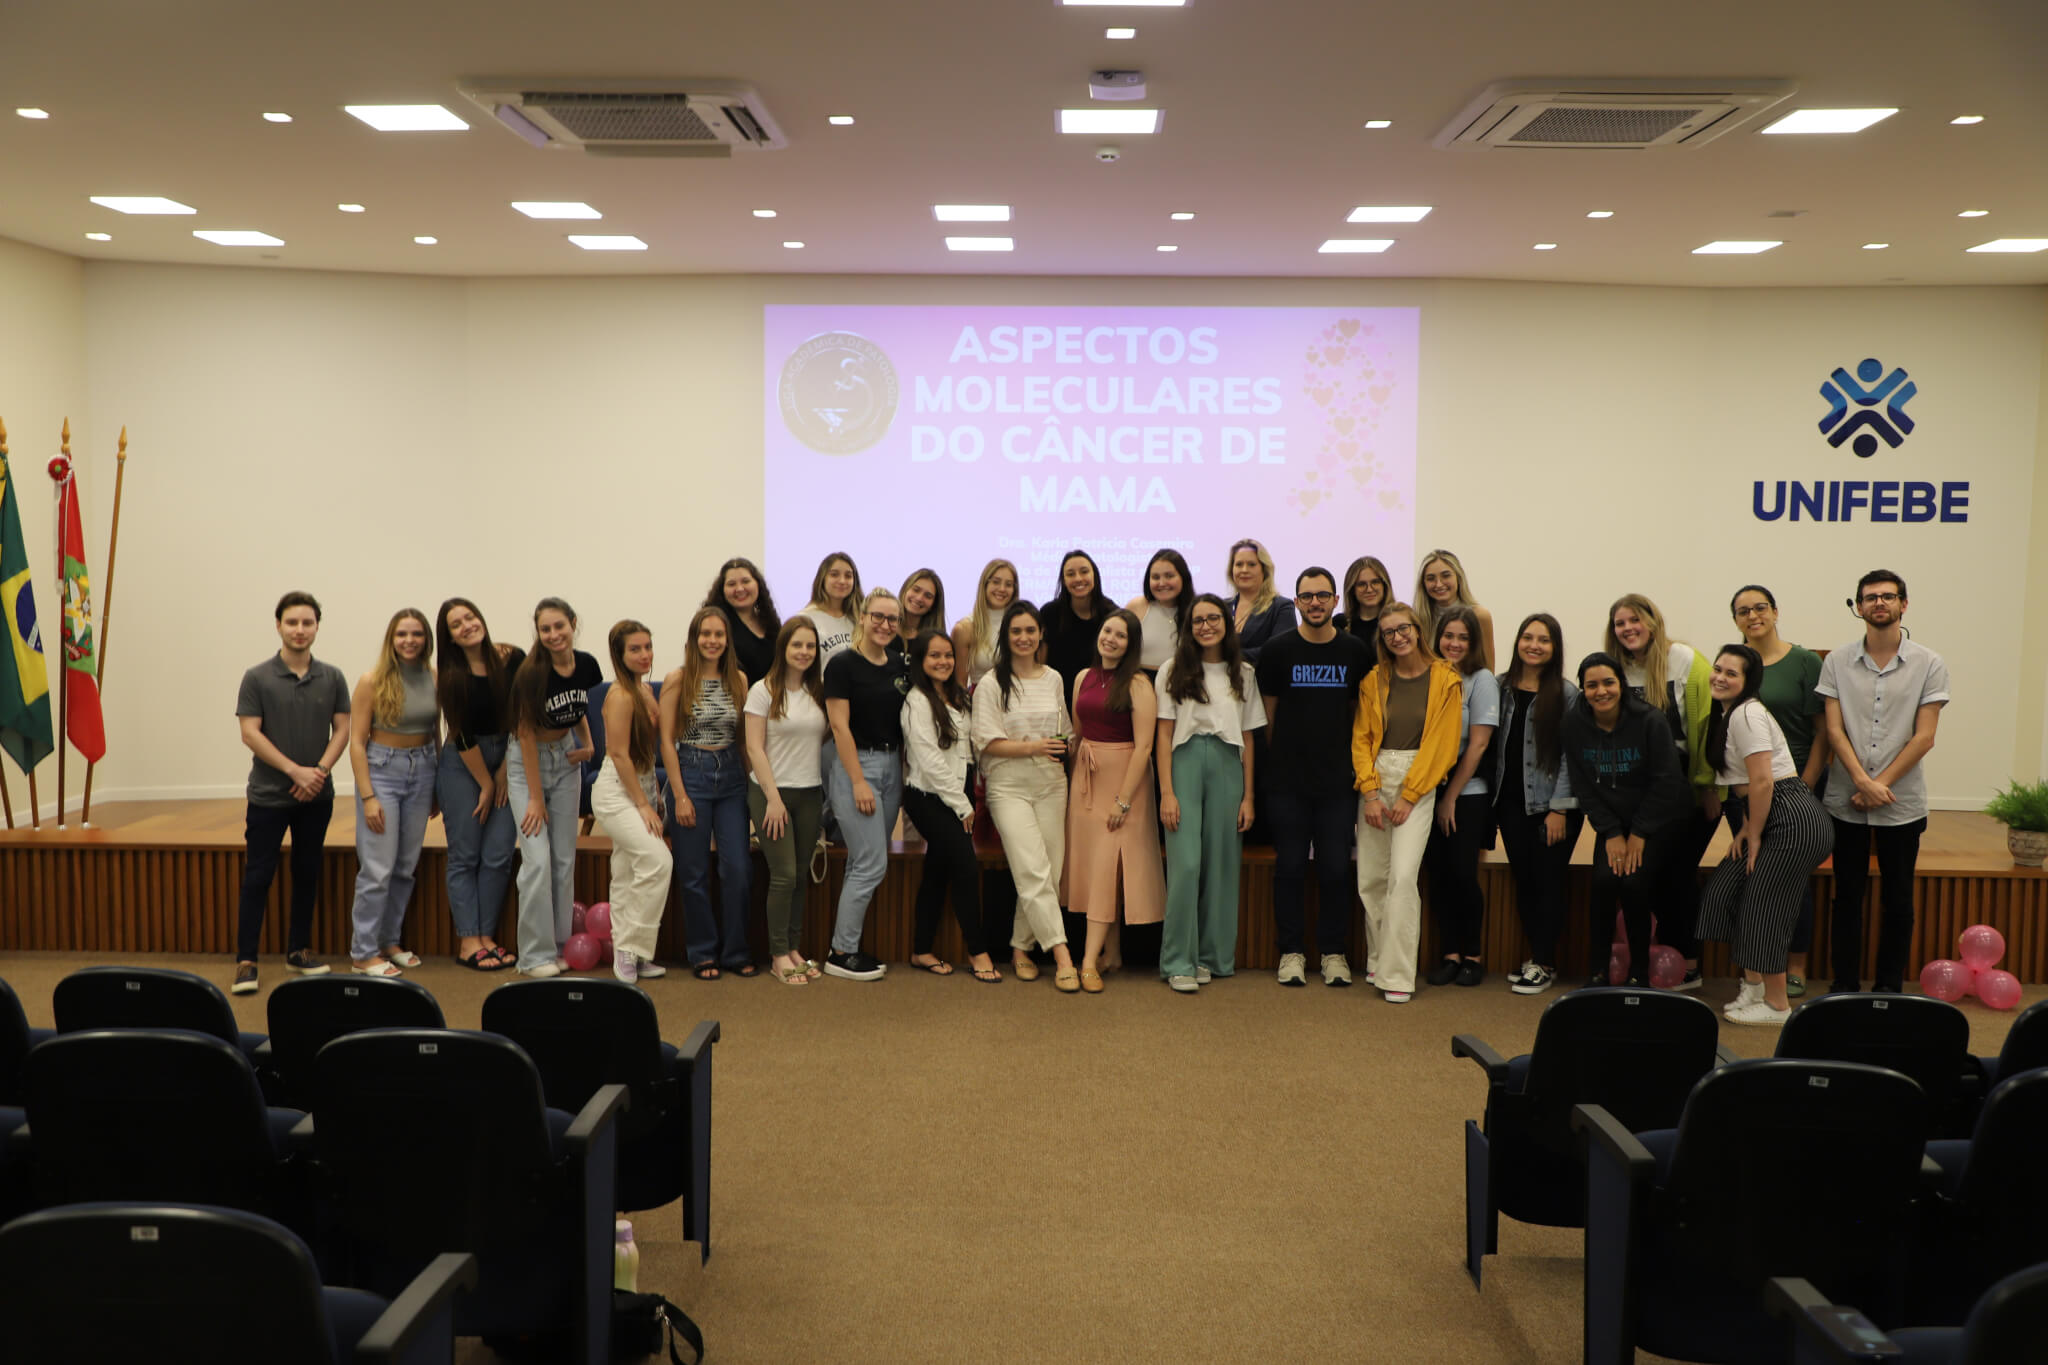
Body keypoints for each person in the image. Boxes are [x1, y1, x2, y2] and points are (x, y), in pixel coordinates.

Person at [1818, 570, 1949, 994]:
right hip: (1846, 799)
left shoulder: (1929, 663)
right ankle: (1844, 986)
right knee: (1847, 900)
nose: (1879, 603)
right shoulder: (1837, 661)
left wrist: (1879, 784)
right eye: (1870, 597)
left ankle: (1889, 988)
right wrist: (1861, 780)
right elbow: (1834, 732)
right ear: (1858, 607)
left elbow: (1925, 735)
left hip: (1901, 801)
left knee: (1899, 902)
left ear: (1903, 605)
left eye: (1888, 597)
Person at [1696, 644, 1835, 1025]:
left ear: (1748, 681)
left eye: (1732, 673)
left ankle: (1776, 1005)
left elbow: (1762, 781)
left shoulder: (1747, 714)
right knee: (1726, 890)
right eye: (1718, 669)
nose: (1720, 677)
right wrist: (1745, 828)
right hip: (1770, 814)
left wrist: (1754, 835)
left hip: (1791, 819)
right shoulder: (1729, 713)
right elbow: (1748, 784)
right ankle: (1754, 985)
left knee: (1765, 907)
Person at [1257, 567, 1373, 987]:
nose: (1316, 603)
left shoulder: (1356, 652)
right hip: (1287, 782)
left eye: (1323, 596)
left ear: (1335, 601)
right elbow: (1268, 717)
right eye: (1307, 597)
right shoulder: (1276, 650)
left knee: (1336, 869)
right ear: (1297, 601)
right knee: (1288, 868)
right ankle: (1290, 952)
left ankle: (1333, 953)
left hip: (1338, 782)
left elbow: (1360, 716)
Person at [231, 590, 349, 993]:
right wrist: (294, 771)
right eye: (292, 622)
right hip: (268, 795)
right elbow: (250, 732)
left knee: (307, 871)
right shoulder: (257, 676)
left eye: (308, 622)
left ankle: (298, 951)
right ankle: (246, 960)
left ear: (317, 626)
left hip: (316, 796)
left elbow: (343, 730)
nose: (300, 630)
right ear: (278, 625)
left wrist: (317, 772)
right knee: (258, 875)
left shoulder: (332, 676)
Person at [1349, 601, 1462, 1003]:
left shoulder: (1446, 679)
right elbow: (1361, 738)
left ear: (1418, 630)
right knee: (1372, 879)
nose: (1397, 637)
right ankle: (1379, 957)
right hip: (1377, 779)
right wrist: (1371, 793)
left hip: (1419, 781)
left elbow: (1443, 746)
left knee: (1401, 877)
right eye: (1389, 632)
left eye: (1403, 629)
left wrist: (1411, 795)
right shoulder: (1374, 679)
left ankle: (1398, 975)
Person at [1563, 652, 1694, 988]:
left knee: (1634, 883)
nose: (1601, 691)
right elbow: (1582, 785)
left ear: (1621, 684)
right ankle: (1598, 970)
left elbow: (1667, 780)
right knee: (1604, 883)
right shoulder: (1574, 723)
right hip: (1612, 824)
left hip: (1655, 819)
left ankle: (1639, 970)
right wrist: (1610, 832)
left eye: (1608, 682)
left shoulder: (1649, 720)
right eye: (1591, 685)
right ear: (1583, 690)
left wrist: (1639, 832)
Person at [1156, 593, 1263, 993]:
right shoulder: (1172, 669)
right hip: (1184, 762)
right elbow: (1163, 732)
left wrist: (1248, 796)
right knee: (1185, 865)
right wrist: (1166, 792)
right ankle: (1178, 961)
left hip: (1227, 766)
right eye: (1198, 620)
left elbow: (1249, 738)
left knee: (1221, 864)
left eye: (1213, 618)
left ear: (1227, 622)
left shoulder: (1244, 672)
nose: (1205, 626)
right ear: (1188, 627)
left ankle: (1211, 956)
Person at [1605, 593, 1711, 989]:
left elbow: (1702, 724)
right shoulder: (1614, 667)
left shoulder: (1683, 659)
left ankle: (1687, 961)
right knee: (1645, 876)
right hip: (1634, 788)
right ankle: (1650, 960)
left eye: (1635, 620)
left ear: (1652, 621)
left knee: (1678, 875)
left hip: (1682, 782)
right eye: (1620, 623)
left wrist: (1706, 786)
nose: (1628, 628)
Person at [1728, 583, 1831, 995]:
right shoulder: (1734, 663)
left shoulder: (1804, 662)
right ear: (1735, 619)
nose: (1753, 616)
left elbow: (1822, 733)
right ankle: (1757, 967)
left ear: (1775, 611)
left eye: (1760, 608)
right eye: (1742, 611)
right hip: (1748, 789)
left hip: (1796, 787)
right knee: (1754, 876)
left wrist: (1804, 788)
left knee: (1791, 878)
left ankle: (1796, 964)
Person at [974, 601, 1080, 991]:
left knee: (1048, 871)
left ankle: (1020, 947)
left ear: (1040, 636)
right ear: (1006, 637)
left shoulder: (1053, 678)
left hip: (1052, 784)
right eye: (1016, 631)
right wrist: (1035, 747)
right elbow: (987, 743)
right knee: (1032, 869)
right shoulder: (990, 684)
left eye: (1030, 631)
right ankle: (1062, 954)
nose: (1023, 638)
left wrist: (1058, 747)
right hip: (1009, 787)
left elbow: (1064, 731)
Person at [1066, 608, 1166, 992]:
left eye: (1121, 635)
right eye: (1108, 631)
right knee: (1098, 869)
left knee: (1109, 868)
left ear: (1131, 644)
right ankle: (1113, 953)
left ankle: (1088, 961)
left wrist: (1124, 801)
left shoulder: (1139, 684)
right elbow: (1078, 733)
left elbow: (1144, 747)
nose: (1111, 639)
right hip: (1086, 780)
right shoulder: (1082, 678)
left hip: (1125, 781)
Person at [504, 597, 600, 977]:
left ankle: (560, 947)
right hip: (528, 764)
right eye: (545, 629)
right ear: (538, 632)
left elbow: (578, 710)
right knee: (537, 862)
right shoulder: (531, 673)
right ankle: (533, 955)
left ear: (573, 623)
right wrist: (536, 799)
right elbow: (525, 734)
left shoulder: (588, 664)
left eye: (559, 626)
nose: (554, 634)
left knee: (563, 860)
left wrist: (588, 742)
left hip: (566, 759)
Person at [1490, 614, 1581, 997]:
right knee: (1525, 881)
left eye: (1543, 640)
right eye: (1527, 637)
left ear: (1554, 647)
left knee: (1548, 883)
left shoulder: (1567, 693)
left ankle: (1543, 962)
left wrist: (1559, 808)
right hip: (1509, 803)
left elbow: (1571, 755)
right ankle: (1538, 958)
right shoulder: (1500, 687)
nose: (1534, 645)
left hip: (1551, 807)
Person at [660, 606, 753, 980]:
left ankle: (735, 951)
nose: (712, 641)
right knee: (694, 872)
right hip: (691, 776)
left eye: (719, 634)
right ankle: (702, 953)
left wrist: (754, 787)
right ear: (694, 639)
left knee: (738, 869)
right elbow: (666, 742)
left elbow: (745, 741)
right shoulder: (677, 679)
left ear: (727, 640)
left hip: (731, 777)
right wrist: (680, 795)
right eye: (705, 634)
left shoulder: (740, 680)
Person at [344, 608, 437, 978]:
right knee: (377, 867)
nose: (409, 641)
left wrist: (437, 787)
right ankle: (362, 952)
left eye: (416, 634)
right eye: (402, 634)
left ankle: (388, 940)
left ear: (426, 639)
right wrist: (368, 796)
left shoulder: (433, 676)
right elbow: (355, 742)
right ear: (391, 638)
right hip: (382, 771)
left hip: (424, 768)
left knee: (404, 865)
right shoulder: (372, 680)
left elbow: (437, 733)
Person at [901, 630, 998, 982]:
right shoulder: (916, 700)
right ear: (920, 661)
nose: (943, 662)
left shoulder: (960, 697)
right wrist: (962, 805)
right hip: (928, 797)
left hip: (960, 795)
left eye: (947, 655)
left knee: (937, 871)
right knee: (965, 867)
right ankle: (978, 951)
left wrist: (972, 794)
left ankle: (921, 949)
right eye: (934, 656)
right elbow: (928, 759)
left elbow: (970, 751)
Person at [822, 587, 909, 980]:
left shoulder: (899, 664)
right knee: (873, 862)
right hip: (857, 766)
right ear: (862, 617)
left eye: (892, 619)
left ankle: (846, 942)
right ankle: (841, 951)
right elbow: (839, 726)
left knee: (864, 859)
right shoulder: (842, 665)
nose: (885, 625)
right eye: (878, 616)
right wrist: (857, 781)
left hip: (893, 766)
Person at [433, 596, 523, 971]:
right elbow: (462, 734)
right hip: (463, 762)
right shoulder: (451, 676)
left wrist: (502, 771)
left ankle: (486, 936)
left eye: (470, 617)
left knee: (499, 853)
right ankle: (469, 940)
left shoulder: (512, 657)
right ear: (450, 637)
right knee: (465, 853)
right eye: (456, 624)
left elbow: (522, 714)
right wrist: (486, 783)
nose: (467, 625)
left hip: (506, 754)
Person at [744, 618, 829, 986]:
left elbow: (821, 737)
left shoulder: (817, 691)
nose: (804, 652)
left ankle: (794, 947)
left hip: (810, 792)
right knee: (783, 875)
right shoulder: (763, 690)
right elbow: (753, 746)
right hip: (770, 795)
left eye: (810, 646)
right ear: (783, 648)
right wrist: (773, 797)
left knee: (799, 876)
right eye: (797, 645)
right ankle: (778, 954)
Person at [590, 620, 673, 984]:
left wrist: (651, 792)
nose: (644, 655)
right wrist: (642, 804)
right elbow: (619, 755)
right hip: (615, 791)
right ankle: (630, 947)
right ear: (619, 655)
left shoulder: (644, 690)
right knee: (658, 861)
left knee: (626, 871)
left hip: (641, 784)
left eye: (647, 647)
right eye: (635, 649)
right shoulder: (621, 694)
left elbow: (644, 756)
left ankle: (633, 952)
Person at [1423, 607, 1499, 987]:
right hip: (1428, 791)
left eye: (1463, 638)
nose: (1454, 644)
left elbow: (1480, 743)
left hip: (1466, 793)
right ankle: (1450, 953)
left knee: (1462, 874)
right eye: (1448, 636)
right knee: (1438, 875)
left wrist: (1450, 796)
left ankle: (1473, 955)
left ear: (1474, 644)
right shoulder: (1431, 675)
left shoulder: (1481, 679)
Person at [1041, 548, 1116, 688]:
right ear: (1063, 580)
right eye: (1070, 574)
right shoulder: (1049, 613)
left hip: (1098, 697)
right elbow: (1041, 665)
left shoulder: (1112, 614)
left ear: (1095, 575)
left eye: (1084, 571)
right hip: (1056, 695)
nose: (1078, 578)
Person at [703, 556, 780, 685]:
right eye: (731, 584)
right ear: (722, 590)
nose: (739, 589)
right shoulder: (715, 623)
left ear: (758, 584)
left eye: (745, 581)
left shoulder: (769, 621)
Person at [1413, 549, 1495, 666]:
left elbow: (1488, 667)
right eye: (1431, 578)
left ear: (1458, 577)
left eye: (1446, 576)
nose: (1439, 584)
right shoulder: (1417, 619)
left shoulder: (1480, 615)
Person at [1224, 537, 1297, 664]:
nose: (1244, 570)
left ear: (1264, 570)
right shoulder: (1222, 607)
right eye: (1239, 564)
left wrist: (1228, 657)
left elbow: (1280, 650)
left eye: (1251, 564)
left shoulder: (1281, 607)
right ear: (1232, 570)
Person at [1126, 548, 1194, 678]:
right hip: (1140, 683)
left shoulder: (1196, 610)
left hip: (1183, 684)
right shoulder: (1136, 607)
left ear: (1183, 577)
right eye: (1155, 577)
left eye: (1169, 576)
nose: (1162, 583)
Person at [951, 558, 1020, 687]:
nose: (1002, 589)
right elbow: (959, 685)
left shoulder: (1022, 627)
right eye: (996, 582)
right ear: (985, 584)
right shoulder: (965, 629)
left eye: (1009, 584)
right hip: (980, 701)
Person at [799, 552, 863, 665]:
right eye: (834, 574)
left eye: (848, 576)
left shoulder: (859, 619)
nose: (842, 581)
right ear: (822, 578)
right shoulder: (806, 619)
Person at [1336, 555, 1393, 668]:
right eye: (1361, 584)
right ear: (1352, 589)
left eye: (1375, 582)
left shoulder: (1397, 623)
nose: (1369, 589)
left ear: (1384, 585)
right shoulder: (1339, 624)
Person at [897, 567, 948, 646]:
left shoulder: (935, 642)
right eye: (916, 590)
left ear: (934, 605)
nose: (919, 598)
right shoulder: (886, 630)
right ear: (905, 590)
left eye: (928, 596)